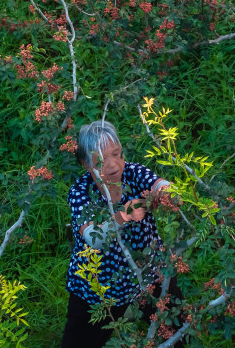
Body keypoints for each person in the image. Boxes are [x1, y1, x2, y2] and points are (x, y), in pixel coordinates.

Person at [61, 120, 184, 348]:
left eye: (117, 154)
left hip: (148, 272)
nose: (113, 166)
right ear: (86, 164)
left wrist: (167, 193)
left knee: (176, 328)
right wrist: (124, 215)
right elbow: (93, 238)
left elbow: (158, 184)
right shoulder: (80, 192)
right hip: (98, 286)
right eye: (101, 161)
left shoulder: (134, 173)